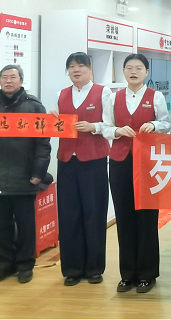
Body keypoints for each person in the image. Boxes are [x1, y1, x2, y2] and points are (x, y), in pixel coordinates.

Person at [0, 65, 51, 284]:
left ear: (21, 81)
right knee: (0, 225)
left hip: (25, 175)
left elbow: (43, 143)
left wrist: (39, 171)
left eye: (13, 77)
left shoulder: (34, 107)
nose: (8, 81)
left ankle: (25, 265)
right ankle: (5, 264)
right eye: (4, 77)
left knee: (25, 225)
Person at [102, 54, 170, 294]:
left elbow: (166, 124)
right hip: (120, 162)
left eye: (139, 68)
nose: (133, 71)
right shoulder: (113, 98)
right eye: (129, 67)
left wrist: (154, 125)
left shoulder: (156, 96)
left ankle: (147, 274)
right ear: (123, 71)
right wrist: (117, 131)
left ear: (146, 72)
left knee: (147, 217)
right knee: (124, 217)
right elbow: (105, 127)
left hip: (148, 163)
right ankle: (127, 274)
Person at [49, 52, 112, 286]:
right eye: (72, 67)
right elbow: (56, 125)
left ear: (90, 69)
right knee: (69, 215)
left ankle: (94, 268)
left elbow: (111, 124)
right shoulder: (61, 95)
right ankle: (72, 269)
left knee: (94, 213)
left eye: (81, 66)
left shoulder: (103, 92)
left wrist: (94, 126)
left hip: (93, 160)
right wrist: (52, 118)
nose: (76, 70)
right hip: (67, 161)